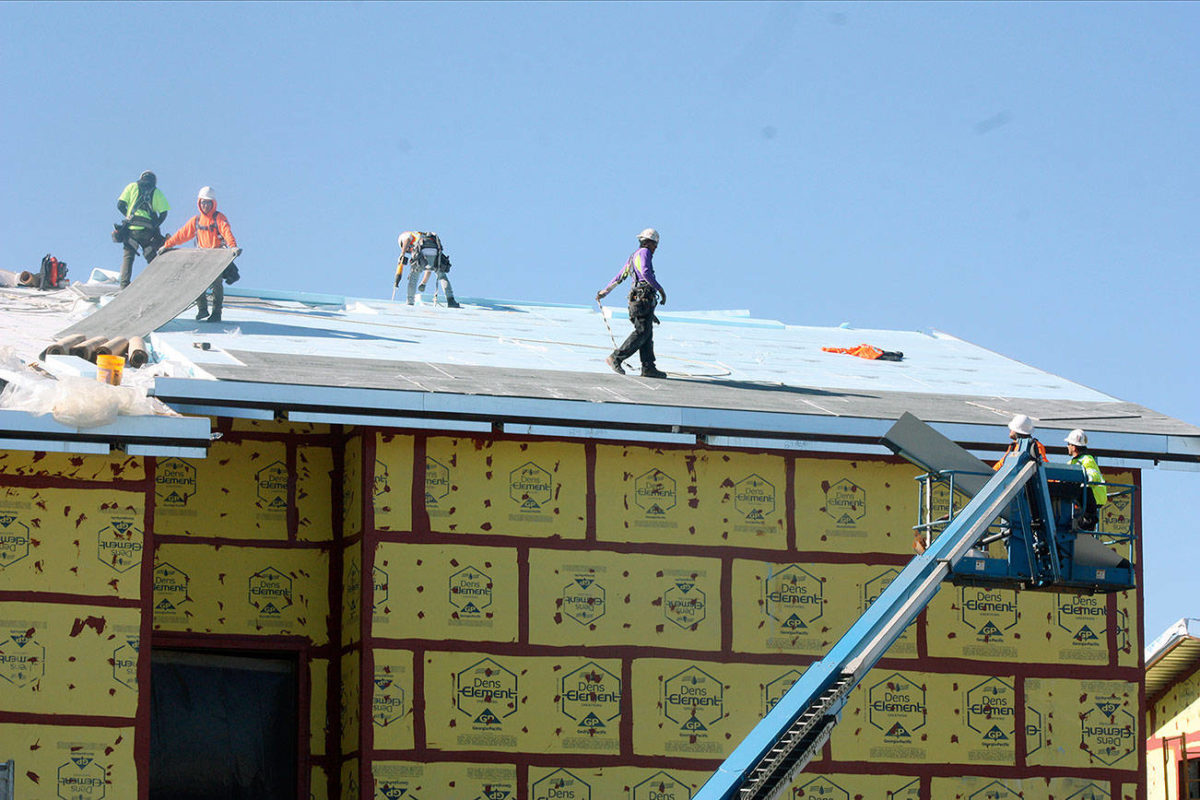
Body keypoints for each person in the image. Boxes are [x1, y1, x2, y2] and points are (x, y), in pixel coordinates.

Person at [159, 186, 239, 322]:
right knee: (195, 282)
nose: (205, 205)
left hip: (217, 257)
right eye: (203, 202)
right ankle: (202, 309)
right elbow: (181, 235)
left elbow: (226, 232)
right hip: (202, 257)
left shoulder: (219, 218)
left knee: (217, 283)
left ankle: (216, 312)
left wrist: (233, 247)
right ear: (199, 203)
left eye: (208, 202)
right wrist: (166, 246)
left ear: (213, 203)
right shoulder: (196, 221)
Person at [596, 228, 667, 379]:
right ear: (648, 242)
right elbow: (646, 273)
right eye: (655, 245)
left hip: (638, 301)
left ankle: (648, 367)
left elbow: (620, 276)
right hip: (642, 299)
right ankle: (616, 357)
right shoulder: (644, 252)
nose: (656, 248)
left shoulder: (633, 257)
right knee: (642, 332)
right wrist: (660, 290)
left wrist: (605, 291)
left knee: (647, 333)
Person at [114, 171, 170, 288]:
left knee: (128, 255)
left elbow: (120, 205)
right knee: (151, 254)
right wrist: (156, 224)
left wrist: (128, 216)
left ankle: (124, 285)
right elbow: (164, 213)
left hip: (131, 230)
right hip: (147, 231)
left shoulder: (132, 186)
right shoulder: (157, 192)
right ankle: (159, 283)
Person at [398, 231, 460, 308]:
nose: (409, 250)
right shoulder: (422, 235)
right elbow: (429, 268)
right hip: (435, 251)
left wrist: (402, 254)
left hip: (422, 249)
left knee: (413, 277)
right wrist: (424, 283)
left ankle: (410, 301)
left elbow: (407, 240)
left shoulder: (406, 235)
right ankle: (451, 301)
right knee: (442, 276)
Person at [1065, 428, 1106, 529]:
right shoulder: (1073, 462)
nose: (1067, 446)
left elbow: (1093, 476)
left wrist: (1080, 479)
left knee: (1086, 523)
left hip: (1092, 500)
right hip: (1082, 502)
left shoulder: (1087, 460)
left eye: (1069, 444)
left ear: (1074, 447)